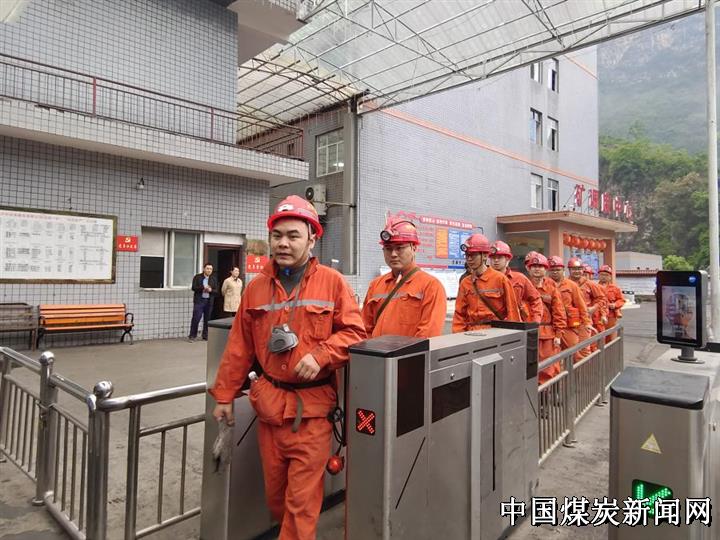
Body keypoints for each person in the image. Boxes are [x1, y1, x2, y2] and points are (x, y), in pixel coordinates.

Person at [210, 195, 366, 540]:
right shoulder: (256, 287)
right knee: (277, 498)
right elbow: (239, 346)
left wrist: (322, 355)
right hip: (269, 409)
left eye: (293, 236)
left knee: (300, 504)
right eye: (277, 235)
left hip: (311, 413)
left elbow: (355, 333)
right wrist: (224, 395)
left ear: (312, 239)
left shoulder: (333, 282)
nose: (283, 243)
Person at [362, 218, 447, 338]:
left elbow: (428, 334)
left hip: (411, 351)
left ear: (414, 248)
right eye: (388, 248)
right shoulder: (375, 285)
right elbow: (364, 328)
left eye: (399, 248)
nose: (393, 254)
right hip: (375, 350)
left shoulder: (431, 286)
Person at [452, 233, 521, 332]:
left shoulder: (500, 279)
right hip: (472, 334)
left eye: (473, 255)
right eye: (467, 255)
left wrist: (513, 335)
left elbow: (512, 311)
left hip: (496, 333)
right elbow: (459, 314)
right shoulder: (465, 283)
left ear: (485, 256)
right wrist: (458, 335)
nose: (469, 259)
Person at [526, 252, 567, 384]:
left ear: (545, 269)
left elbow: (558, 311)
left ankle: (548, 392)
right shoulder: (523, 285)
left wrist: (558, 334)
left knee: (548, 367)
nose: (537, 269)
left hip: (547, 334)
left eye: (540, 266)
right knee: (528, 367)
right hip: (528, 332)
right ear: (528, 269)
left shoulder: (551, 287)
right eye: (534, 266)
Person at [489, 241, 543, 324]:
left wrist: (535, 322)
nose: (496, 260)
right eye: (493, 258)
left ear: (507, 258)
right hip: (491, 326)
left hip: (515, 325)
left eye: (499, 257)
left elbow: (536, 299)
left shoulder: (520, 279)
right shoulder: (484, 280)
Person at [548, 256, 591, 360]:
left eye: (558, 269)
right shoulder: (545, 285)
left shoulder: (571, 285)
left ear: (563, 270)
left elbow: (581, 306)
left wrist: (586, 323)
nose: (555, 272)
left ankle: (580, 371)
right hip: (551, 326)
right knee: (554, 355)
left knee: (575, 353)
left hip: (569, 326)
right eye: (552, 270)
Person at [570, 260, 607, 354]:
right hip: (568, 321)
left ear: (582, 270)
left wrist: (593, 308)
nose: (577, 271)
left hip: (584, 320)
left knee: (584, 349)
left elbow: (602, 299)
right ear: (569, 270)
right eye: (574, 269)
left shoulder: (590, 284)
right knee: (570, 349)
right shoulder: (565, 283)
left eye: (579, 269)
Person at [189, 263, 217, 341]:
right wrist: (203, 288)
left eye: (211, 269)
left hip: (209, 301)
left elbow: (216, 291)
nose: (209, 270)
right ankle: (192, 335)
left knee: (207, 319)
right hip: (199, 301)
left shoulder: (213, 279)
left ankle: (205, 335)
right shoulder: (197, 277)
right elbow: (193, 287)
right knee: (196, 318)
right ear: (204, 269)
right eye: (207, 268)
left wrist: (211, 290)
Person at [598, 264, 625, 342]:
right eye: (602, 274)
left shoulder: (615, 288)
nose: (604, 277)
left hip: (611, 316)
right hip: (598, 316)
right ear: (599, 275)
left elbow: (621, 300)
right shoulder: (594, 287)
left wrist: (615, 305)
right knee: (599, 337)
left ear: (610, 277)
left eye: (606, 275)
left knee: (611, 337)